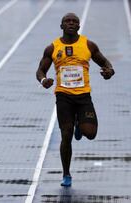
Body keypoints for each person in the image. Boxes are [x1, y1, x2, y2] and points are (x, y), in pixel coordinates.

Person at [36, 13, 114, 187]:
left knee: (91, 134)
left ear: (79, 26)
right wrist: (44, 80)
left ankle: (80, 125)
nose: (71, 23)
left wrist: (109, 71)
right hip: (63, 96)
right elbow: (40, 71)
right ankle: (66, 174)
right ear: (61, 25)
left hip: (83, 96)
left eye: (74, 22)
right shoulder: (52, 48)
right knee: (66, 134)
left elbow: (105, 63)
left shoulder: (88, 45)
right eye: (67, 21)